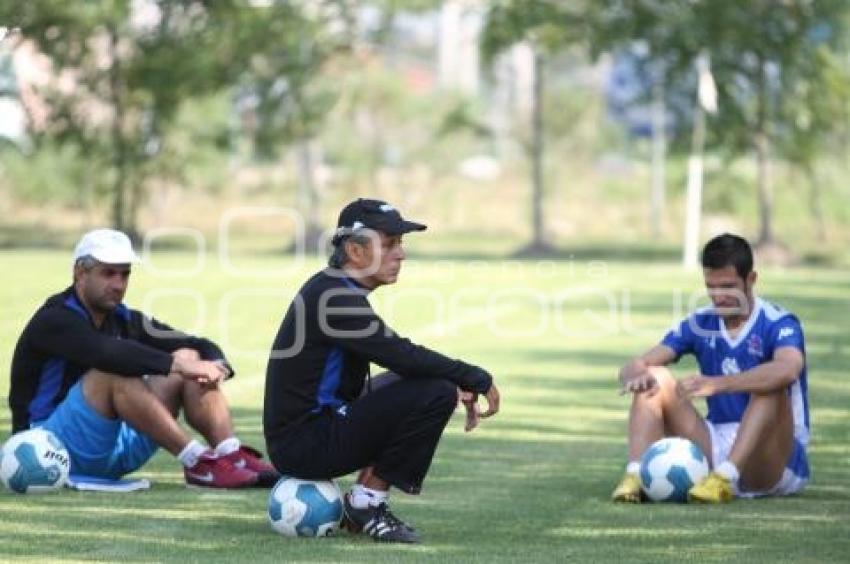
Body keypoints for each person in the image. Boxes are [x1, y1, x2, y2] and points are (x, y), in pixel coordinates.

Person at [264, 198, 500, 543]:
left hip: (311, 431)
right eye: (389, 244)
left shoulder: (332, 287)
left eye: (400, 244)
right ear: (356, 252)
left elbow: (402, 362)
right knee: (436, 391)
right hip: (306, 444)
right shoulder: (333, 299)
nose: (401, 254)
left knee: (429, 383)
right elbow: (400, 354)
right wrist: (473, 377)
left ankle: (363, 498)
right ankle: (368, 504)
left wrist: (453, 376)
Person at [9, 228, 278, 488]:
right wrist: (182, 366)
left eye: (125, 275)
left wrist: (217, 366)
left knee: (188, 354)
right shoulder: (55, 318)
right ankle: (197, 461)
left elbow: (196, 343)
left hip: (113, 448)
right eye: (108, 274)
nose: (118, 285)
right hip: (50, 448)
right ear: (80, 272)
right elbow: (105, 353)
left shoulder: (123, 318)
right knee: (112, 372)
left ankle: (230, 454)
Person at [612, 233, 810, 503]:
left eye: (727, 287)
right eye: (711, 287)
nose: (718, 297)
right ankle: (636, 476)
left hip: (772, 456)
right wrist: (633, 374)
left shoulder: (779, 322)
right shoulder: (701, 322)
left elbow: (788, 369)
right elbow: (638, 364)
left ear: (751, 279)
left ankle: (725, 479)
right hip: (715, 443)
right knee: (655, 376)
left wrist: (716, 384)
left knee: (771, 383)